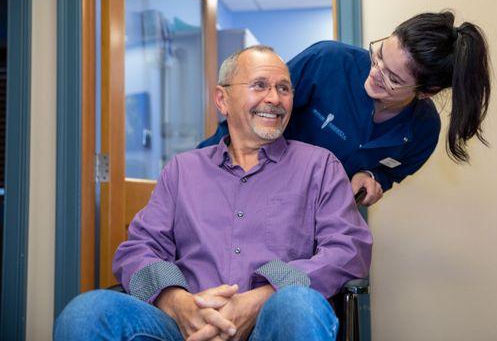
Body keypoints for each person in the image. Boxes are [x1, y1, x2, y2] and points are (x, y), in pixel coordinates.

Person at [54, 46, 372, 341]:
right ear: (222, 100)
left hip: (273, 320)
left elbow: (348, 249)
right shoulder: (182, 170)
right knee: (85, 314)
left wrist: (262, 297)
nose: (274, 98)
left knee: (298, 304)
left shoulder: (319, 166)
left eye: (284, 88)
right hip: (185, 325)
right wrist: (179, 303)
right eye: (260, 85)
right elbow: (138, 249)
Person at [199, 11, 491, 206]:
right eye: (378, 55)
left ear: (426, 92)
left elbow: (391, 173)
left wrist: (374, 178)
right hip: (244, 188)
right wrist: (197, 173)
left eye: (392, 78)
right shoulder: (328, 61)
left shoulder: (423, 131)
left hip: (311, 222)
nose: (375, 72)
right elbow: (243, 118)